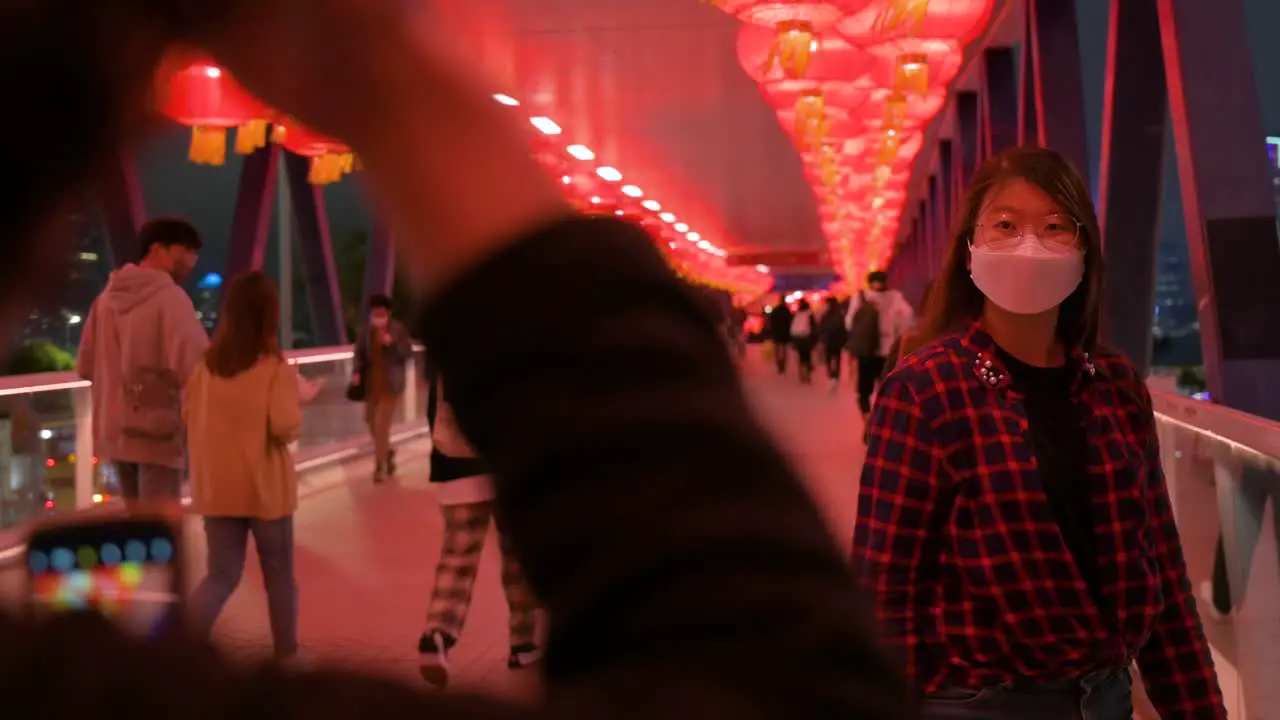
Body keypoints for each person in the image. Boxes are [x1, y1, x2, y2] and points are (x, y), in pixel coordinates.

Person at [0, 2, 912, 718]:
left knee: (444, 546)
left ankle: (442, 628)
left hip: (363, 452)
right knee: (480, 554)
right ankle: (496, 639)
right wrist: (394, 83)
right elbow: (771, 685)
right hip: (362, 463)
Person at [854, 146, 1223, 718]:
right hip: (981, 704)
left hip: (1106, 699)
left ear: (1083, 252)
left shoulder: (1116, 385)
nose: (1030, 243)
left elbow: (1166, 581)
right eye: (1005, 225)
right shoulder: (926, 391)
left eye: (1054, 226)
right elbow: (885, 593)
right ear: (969, 248)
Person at [184, 271, 301, 660]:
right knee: (279, 576)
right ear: (270, 315)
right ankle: (286, 656)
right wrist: (302, 396)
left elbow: (188, 415)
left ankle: (176, 647)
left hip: (217, 490)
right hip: (266, 491)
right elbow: (284, 427)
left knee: (221, 576)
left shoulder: (205, 369)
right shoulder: (274, 369)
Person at [417, 364, 541, 687]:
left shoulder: (450, 338)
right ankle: (523, 642)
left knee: (457, 556)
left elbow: (434, 405)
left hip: (454, 457)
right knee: (518, 557)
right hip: (506, 459)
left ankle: (438, 634)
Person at [75, 217, 209, 505]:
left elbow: (86, 366)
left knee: (135, 527)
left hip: (114, 432)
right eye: (186, 251)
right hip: (155, 433)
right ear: (158, 249)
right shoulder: (171, 299)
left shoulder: (105, 300)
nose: (192, 261)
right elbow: (199, 368)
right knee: (160, 530)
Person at [352, 294, 413, 483]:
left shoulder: (398, 330)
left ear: (388, 314)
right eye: (374, 314)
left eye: (381, 314)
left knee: (381, 426)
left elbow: (408, 353)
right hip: (372, 386)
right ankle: (387, 453)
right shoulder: (366, 332)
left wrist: (392, 343)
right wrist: (356, 372)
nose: (377, 318)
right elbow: (359, 354)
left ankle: (379, 467)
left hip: (391, 386)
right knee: (370, 422)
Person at [844, 270, 914, 420]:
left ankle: (867, 417)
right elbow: (908, 317)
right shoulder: (895, 297)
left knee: (864, 389)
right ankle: (881, 417)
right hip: (887, 349)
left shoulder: (860, 297)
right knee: (886, 386)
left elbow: (849, 322)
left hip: (867, 350)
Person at [817, 295, 849, 395]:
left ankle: (832, 375)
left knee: (829, 359)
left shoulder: (826, 315)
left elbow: (821, 328)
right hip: (837, 341)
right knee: (837, 358)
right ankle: (835, 376)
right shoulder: (840, 315)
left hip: (829, 341)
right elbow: (844, 329)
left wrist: (821, 338)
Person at [789, 299, 818, 384]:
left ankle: (802, 375)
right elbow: (814, 327)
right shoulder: (810, 314)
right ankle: (808, 375)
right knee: (807, 356)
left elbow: (793, 328)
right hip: (807, 338)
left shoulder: (797, 315)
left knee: (801, 357)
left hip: (799, 339)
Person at [766, 300, 793, 374]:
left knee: (777, 349)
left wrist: (771, 331)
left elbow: (771, 321)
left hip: (776, 332)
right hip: (785, 332)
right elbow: (790, 321)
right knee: (784, 349)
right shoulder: (787, 311)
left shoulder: (775, 310)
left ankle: (779, 364)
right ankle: (783, 364)